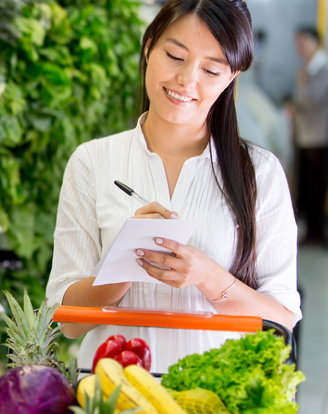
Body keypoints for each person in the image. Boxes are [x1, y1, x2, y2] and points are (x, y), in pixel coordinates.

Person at [46, 0, 301, 374]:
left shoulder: (259, 172)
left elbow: (281, 319)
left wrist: (209, 278)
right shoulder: (92, 162)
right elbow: (68, 321)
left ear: (231, 77)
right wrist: (125, 259)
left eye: (211, 70)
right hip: (111, 394)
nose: (187, 81)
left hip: (215, 395)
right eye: (175, 56)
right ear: (148, 45)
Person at [291, 27, 328, 245]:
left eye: (304, 44)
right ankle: (313, 232)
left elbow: (311, 100)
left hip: (319, 137)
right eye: (298, 45)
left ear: (316, 43)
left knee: (316, 185)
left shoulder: (321, 69)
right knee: (310, 185)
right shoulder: (309, 68)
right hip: (309, 136)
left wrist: (302, 82)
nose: (300, 49)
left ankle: (316, 233)